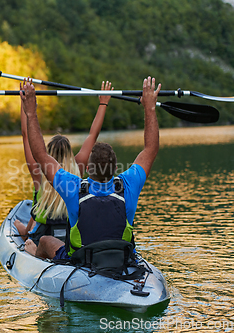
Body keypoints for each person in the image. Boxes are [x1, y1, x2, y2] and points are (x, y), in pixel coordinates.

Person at [21, 76, 161, 260]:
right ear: (115, 168)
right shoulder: (128, 185)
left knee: (46, 240)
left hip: (82, 260)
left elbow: (40, 154)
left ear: (88, 167)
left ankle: (33, 255)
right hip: (121, 257)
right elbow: (150, 149)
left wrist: (31, 112)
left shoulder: (73, 188)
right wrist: (150, 107)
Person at [14, 81, 114, 251]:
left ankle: (26, 235)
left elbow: (26, 136)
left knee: (24, 221)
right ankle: (26, 230)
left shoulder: (40, 170)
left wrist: (27, 106)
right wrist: (103, 103)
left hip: (43, 235)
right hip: (71, 233)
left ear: (46, 154)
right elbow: (93, 134)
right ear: (69, 153)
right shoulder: (79, 167)